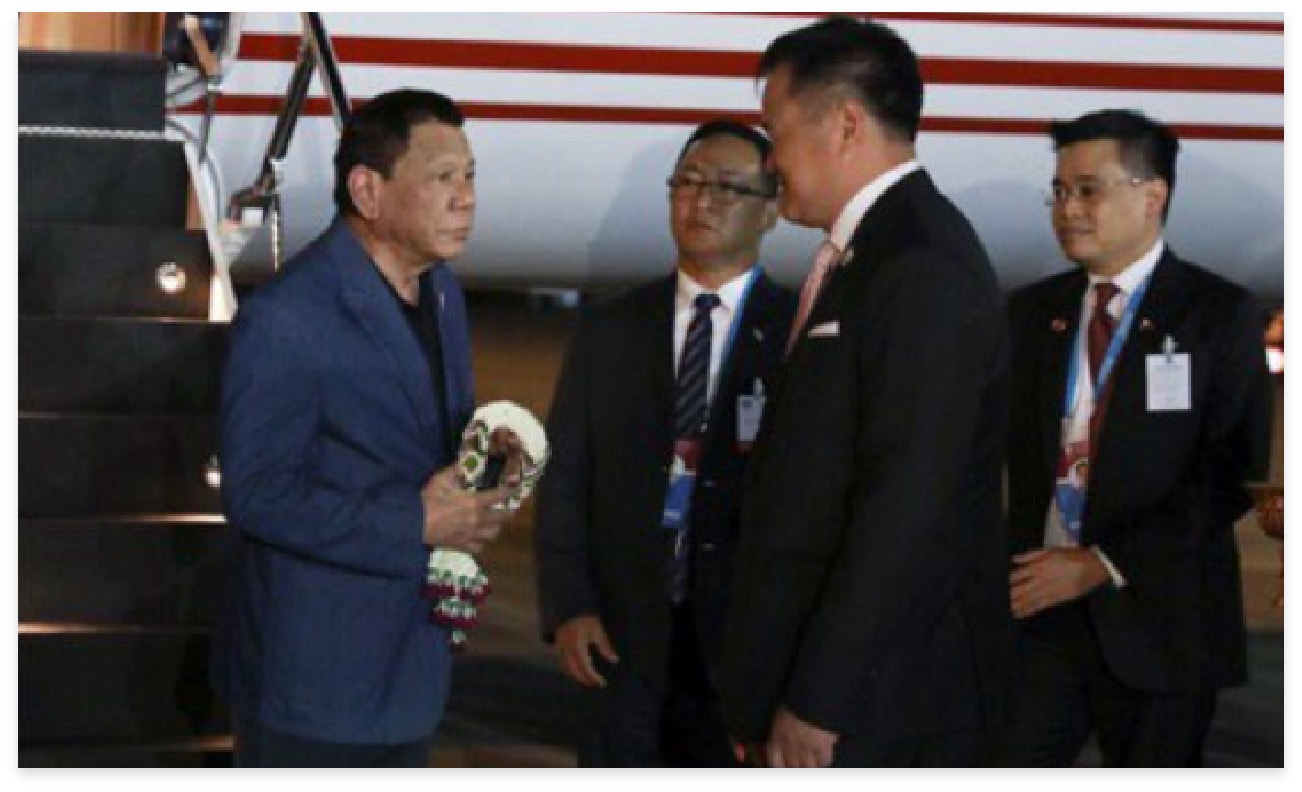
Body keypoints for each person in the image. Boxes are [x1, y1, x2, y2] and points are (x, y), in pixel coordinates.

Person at [717, 16, 1011, 768]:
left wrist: (818, 699)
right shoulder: (869, 254)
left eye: (776, 131)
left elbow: (908, 505)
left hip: (877, 707)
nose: (769, 160)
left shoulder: (919, 264)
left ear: (845, 124)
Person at [215, 89, 521, 767]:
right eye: (444, 178)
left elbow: (416, 446)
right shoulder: (289, 316)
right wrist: (413, 524)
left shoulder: (442, 292)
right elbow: (259, 493)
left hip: (411, 666)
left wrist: (484, 461)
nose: (466, 197)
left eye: (471, 176)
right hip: (314, 683)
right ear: (367, 190)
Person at [1003, 109, 1272, 766]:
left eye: (1089, 189)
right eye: (1060, 191)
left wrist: (1102, 563)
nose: (1068, 209)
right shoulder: (1032, 313)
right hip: (1039, 619)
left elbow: (1229, 471)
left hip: (1161, 627)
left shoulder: (1218, 313)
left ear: (1153, 195)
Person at [535, 120, 796, 766]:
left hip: (740, 650)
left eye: (727, 188)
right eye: (687, 183)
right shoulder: (610, 326)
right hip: (621, 642)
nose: (701, 201)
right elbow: (565, 477)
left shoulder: (800, 333)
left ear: (771, 213)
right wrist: (569, 606)